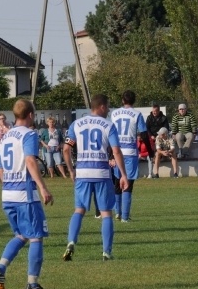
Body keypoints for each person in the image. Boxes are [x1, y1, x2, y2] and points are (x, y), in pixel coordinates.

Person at [0, 99, 54, 289]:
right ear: (31, 115)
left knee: (22, 235)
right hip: (25, 194)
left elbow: (0, 170)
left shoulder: (4, 138)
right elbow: (30, 160)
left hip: (7, 194)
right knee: (36, 237)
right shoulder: (29, 134)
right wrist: (43, 188)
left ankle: (0, 269)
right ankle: (32, 284)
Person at [62, 94, 129, 261]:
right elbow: (116, 151)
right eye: (108, 106)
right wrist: (123, 175)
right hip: (101, 173)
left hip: (83, 172)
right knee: (106, 213)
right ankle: (106, 252)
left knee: (79, 210)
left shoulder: (76, 124)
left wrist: (71, 170)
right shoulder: (108, 126)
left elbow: (65, 149)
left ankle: (71, 242)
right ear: (102, 107)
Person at [109, 90, 153, 222]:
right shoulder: (137, 114)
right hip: (130, 152)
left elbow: (110, 134)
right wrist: (150, 151)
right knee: (128, 184)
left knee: (117, 182)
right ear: (134, 101)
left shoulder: (114, 113)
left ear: (122, 100)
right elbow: (144, 134)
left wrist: (110, 155)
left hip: (117, 151)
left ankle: (118, 212)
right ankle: (125, 217)